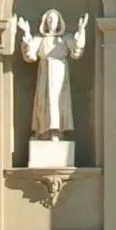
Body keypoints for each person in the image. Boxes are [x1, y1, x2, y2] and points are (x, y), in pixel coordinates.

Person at [17, 9, 88, 140]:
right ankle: (42, 130)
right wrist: (26, 32)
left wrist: (81, 30)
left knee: (57, 100)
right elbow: (29, 55)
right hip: (44, 71)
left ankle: (56, 131)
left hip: (59, 72)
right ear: (45, 22)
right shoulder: (40, 39)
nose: (51, 22)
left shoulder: (64, 38)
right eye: (49, 19)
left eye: (54, 19)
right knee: (43, 101)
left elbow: (76, 51)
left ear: (59, 22)